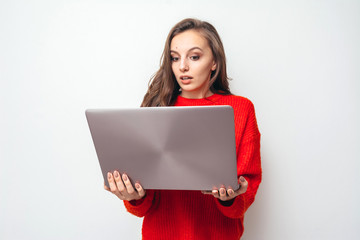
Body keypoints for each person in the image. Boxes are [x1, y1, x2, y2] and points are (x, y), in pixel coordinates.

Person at [104, 18, 261, 239]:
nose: (182, 66)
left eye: (194, 57)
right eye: (174, 58)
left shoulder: (241, 109)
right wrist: (132, 196)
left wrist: (230, 196)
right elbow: (142, 207)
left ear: (214, 62)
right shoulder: (155, 109)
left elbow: (246, 193)